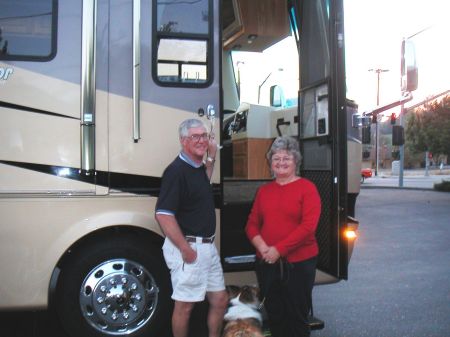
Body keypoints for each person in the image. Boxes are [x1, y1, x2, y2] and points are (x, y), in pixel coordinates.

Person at [155, 119, 228, 337]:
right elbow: (163, 215)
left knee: (220, 299)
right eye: (195, 137)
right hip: (190, 248)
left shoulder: (196, 166)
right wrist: (185, 249)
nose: (201, 141)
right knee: (184, 306)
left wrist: (212, 157)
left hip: (207, 247)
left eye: (204, 136)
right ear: (183, 140)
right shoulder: (176, 171)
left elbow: (202, 184)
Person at [245, 136, 321, 337]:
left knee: (296, 317)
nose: (281, 163)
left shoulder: (307, 188)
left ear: (296, 161)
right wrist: (262, 248)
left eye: (286, 158)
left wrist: (278, 250)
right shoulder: (264, 191)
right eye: (276, 158)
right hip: (267, 263)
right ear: (270, 163)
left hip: (298, 264)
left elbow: (308, 228)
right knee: (275, 315)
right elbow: (252, 224)